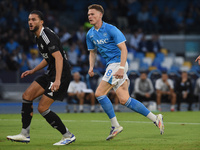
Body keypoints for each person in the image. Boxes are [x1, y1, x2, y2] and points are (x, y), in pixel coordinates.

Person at [86, 4, 164, 141]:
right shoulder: (90, 34)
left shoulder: (111, 29)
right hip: (111, 65)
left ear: (100, 15)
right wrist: (91, 67)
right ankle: (155, 118)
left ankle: (115, 125)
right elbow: (92, 52)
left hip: (117, 64)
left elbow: (124, 49)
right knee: (124, 100)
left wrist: (121, 68)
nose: (90, 16)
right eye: (88, 15)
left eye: (92, 14)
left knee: (99, 93)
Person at [6, 10, 76, 145]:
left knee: (42, 108)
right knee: (27, 96)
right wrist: (33, 70)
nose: (30, 22)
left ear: (41, 22)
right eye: (29, 20)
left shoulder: (46, 36)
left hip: (61, 75)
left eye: (33, 20)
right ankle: (24, 134)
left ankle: (68, 135)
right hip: (51, 72)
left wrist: (57, 80)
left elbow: (59, 58)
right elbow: (47, 59)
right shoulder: (38, 37)